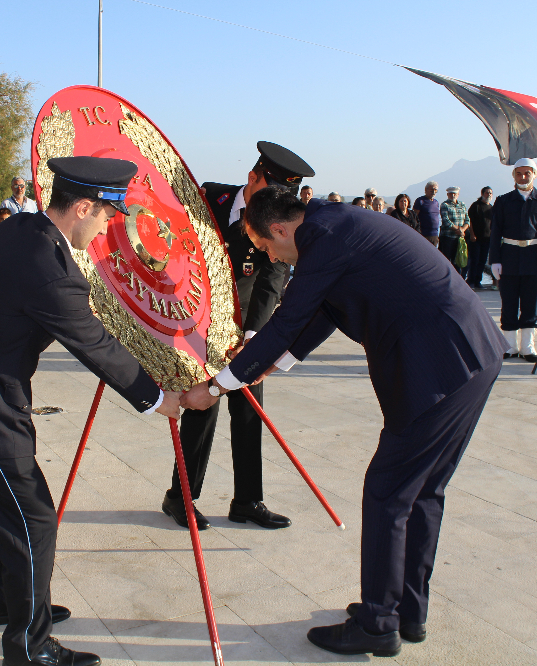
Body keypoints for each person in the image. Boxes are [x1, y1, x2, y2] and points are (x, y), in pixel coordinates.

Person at [182, 188, 505, 657]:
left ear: (278, 229)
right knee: (422, 490)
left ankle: (377, 624)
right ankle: (406, 613)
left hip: (439, 363)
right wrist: (272, 364)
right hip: (470, 352)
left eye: (269, 249)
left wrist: (215, 387)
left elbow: (289, 318)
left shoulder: (323, 237)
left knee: (388, 491)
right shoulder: (331, 225)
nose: (273, 258)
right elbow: (322, 313)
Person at [0, 156, 182, 666]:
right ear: (82, 206)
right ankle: (29, 648)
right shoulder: (49, 268)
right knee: (33, 519)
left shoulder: (19, 230)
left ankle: (4, 602)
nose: (108, 227)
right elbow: (96, 346)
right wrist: (157, 399)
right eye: (106, 215)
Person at [162, 141, 314, 533]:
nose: (274, 204)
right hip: (194, 325)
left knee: (248, 410)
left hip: (244, 327)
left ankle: (247, 500)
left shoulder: (277, 219)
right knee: (202, 408)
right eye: (269, 192)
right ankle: (181, 497)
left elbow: (273, 276)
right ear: (252, 178)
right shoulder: (210, 198)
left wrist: (253, 335)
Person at [489, 158, 537, 362]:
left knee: (530, 303)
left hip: (533, 258)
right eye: (519, 173)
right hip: (509, 257)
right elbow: (495, 232)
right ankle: (509, 346)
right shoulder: (503, 201)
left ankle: (527, 347)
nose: (523, 177)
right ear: (513, 175)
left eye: (527, 173)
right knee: (508, 303)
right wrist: (495, 260)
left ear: (535, 174)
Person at [466, 187, 494, 289]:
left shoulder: (491, 207)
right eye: (487, 193)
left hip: (487, 239)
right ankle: (471, 281)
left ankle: (478, 281)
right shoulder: (476, 206)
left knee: (482, 261)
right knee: (474, 260)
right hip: (476, 239)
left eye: (491, 193)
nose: (489, 195)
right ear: (482, 193)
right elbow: (470, 221)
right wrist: (472, 234)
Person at [438, 187, 469, 277]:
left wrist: (462, 230)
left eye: (455, 193)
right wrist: (458, 230)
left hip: (459, 238)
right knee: (446, 260)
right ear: (447, 194)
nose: (453, 195)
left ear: (458, 194)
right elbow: (446, 221)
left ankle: (458, 280)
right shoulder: (445, 205)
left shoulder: (462, 205)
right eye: (451, 193)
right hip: (447, 237)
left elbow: (467, 220)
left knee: (458, 261)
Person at [413, 181, 441, 247]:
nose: (433, 192)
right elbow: (414, 217)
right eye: (432, 189)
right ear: (426, 189)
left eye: (435, 190)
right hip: (423, 234)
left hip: (434, 235)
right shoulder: (420, 201)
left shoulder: (436, 202)